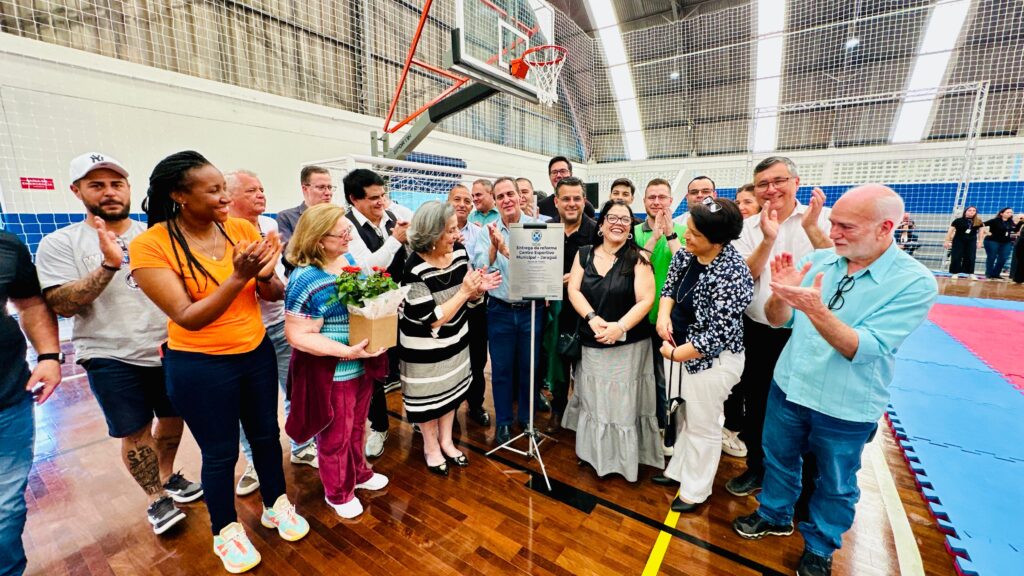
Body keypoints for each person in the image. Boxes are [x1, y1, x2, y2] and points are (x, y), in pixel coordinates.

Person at [732, 184, 937, 576]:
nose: (834, 232)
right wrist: (782, 295)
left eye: (846, 226)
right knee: (779, 460)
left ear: (885, 227)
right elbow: (779, 320)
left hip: (845, 405)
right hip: (790, 387)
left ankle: (820, 546)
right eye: (834, 223)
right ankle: (774, 514)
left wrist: (816, 309)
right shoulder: (824, 260)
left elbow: (862, 348)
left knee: (836, 483)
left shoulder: (914, 283)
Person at [130, 151, 308, 573]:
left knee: (267, 436)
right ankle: (225, 530)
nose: (224, 198)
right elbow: (188, 317)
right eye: (213, 191)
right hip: (200, 365)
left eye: (224, 188)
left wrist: (265, 272)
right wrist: (238, 276)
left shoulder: (240, 228)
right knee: (220, 452)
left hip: (255, 353)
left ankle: (276, 503)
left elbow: (272, 293)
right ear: (179, 195)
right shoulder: (151, 244)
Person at [36, 152, 201, 535]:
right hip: (109, 353)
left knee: (173, 419)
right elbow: (62, 304)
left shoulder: (157, 235)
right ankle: (155, 497)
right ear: (77, 191)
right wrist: (108, 265)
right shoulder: (61, 243)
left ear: (128, 188)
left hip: (168, 348)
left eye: (116, 184)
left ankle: (166, 476)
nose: (109, 192)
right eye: (97, 185)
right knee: (135, 430)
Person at [727, 156, 832, 500]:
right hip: (758, 330)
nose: (771, 190)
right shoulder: (746, 228)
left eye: (778, 181)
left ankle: (806, 480)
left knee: (806, 409)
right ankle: (757, 466)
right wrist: (767, 239)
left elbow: (842, 267)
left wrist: (815, 232)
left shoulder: (821, 220)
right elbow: (744, 275)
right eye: (762, 184)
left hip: (809, 333)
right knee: (756, 404)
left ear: (796, 183)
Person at [282, 203, 389, 519]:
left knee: (357, 427)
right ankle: (337, 491)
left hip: (361, 363)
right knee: (334, 435)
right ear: (318, 240)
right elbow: (298, 335)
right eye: (341, 232)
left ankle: (359, 472)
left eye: (348, 229)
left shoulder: (348, 261)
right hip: (334, 370)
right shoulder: (304, 278)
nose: (348, 236)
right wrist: (345, 351)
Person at [650, 197, 753, 512]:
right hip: (678, 348)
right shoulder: (688, 254)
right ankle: (680, 470)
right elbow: (669, 288)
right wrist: (663, 317)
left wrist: (677, 353)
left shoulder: (734, 274)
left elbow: (718, 333)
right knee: (683, 416)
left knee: (703, 424)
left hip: (710, 361)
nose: (685, 237)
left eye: (694, 233)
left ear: (718, 240)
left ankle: (696, 489)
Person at [224, 170, 318, 498]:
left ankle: (302, 445)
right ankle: (254, 462)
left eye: (262, 188)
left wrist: (266, 277)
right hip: (240, 336)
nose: (261, 195)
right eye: (251, 190)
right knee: (248, 406)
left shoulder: (268, 227)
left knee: (296, 388)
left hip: (277, 324)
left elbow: (275, 287)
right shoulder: (219, 233)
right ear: (229, 197)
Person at [399, 201, 500, 476]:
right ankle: (431, 446)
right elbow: (431, 317)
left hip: (456, 341)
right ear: (432, 234)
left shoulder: (458, 252)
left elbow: (469, 296)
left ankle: (447, 440)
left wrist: (478, 291)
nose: (457, 235)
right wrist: (465, 293)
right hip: (425, 348)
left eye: (456, 229)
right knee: (430, 400)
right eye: (451, 230)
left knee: (451, 393)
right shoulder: (413, 268)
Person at [564, 200, 659, 482]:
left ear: (630, 228)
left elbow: (646, 300)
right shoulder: (583, 254)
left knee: (622, 404)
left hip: (629, 346)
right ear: (602, 223)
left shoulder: (640, 258)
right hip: (592, 341)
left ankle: (624, 462)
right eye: (612, 218)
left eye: (625, 220)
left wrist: (620, 327)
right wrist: (592, 318)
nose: (618, 223)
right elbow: (574, 290)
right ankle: (595, 455)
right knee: (596, 402)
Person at [0, 231, 61, 576]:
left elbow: (32, 302)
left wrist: (49, 355)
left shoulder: (7, 245)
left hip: (8, 398)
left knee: (6, 509)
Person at [343, 168, 410, 459]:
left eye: (383, 195)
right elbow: (366, 267)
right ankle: (379, 427)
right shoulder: (346, 227)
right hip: (370, 310)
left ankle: (420, 417)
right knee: (374, 373)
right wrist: (396, 239)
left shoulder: (392, 218)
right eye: (373, 198)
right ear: (353, 200)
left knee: (407, 362)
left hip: (400, 305)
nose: (380, 202)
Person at [472, 177, 541, 445]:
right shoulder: (485, 230)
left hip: (530, 311)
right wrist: (492, 245)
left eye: (510, 194)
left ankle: (526, 418)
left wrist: (505, 248)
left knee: (528, 368)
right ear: (495, 200)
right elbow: (481, 267)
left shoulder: (537, 227)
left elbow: (537, 270)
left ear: (519, 196)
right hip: (499, 310)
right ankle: (502, 422)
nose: (507, 200)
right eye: (500, 196)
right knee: (500, 369)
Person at [632, 178, 686, 455]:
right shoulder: (636, 232)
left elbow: (686, 266)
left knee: (670, 378)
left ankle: (670, 430)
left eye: (662, 197)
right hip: (642, 317)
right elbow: (637, 265)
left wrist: (668, 235)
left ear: (671, 201)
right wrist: (654, 236)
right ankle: (650, 425)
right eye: (651, 197)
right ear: (644, 203)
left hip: (673, 319)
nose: (657, 202)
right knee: (647, 376)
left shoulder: (685, 230)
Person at [544, 177, 597, 434]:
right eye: (566, 198)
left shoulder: (597, 232)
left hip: (586, 312)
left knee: (585, 368)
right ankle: (558, 410)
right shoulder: (545, 231)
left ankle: (584, 416)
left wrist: (577, 278)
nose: (572, 203)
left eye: (577, 198)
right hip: (554, 311)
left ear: (584, 201)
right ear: (556, 202)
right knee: (557, 364)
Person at [447, 185, 489, 426]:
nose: (462, 204)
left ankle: (475, 404)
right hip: (449, 305)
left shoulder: (478, 232)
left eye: (467, 201)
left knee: (477, 356)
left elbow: (484, 265)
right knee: (452, 357)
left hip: (475, 303)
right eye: (457, 199)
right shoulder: (438, 233)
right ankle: (449, 411)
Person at [276, 165, 335, 243]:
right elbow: (288, 251)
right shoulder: (286, 218)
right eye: (321, 187)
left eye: (330, 187)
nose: (328, 193)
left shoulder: (336, 218)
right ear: (305, 189)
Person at [944, 206, 983, 277]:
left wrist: (980, 241)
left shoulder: (978, 221)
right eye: (970, 210)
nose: (972, 212)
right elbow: (950, 231)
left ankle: (970, 272)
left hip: (971, 240)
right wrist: (947, 241)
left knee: (971, 256)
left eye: (974, 210)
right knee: (956, 256)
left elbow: (981, 232)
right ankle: (955, 272)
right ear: (965, 211)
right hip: (958, 240)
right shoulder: (958, 220)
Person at [981, 207, 1015, 279]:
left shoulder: (1011, 222)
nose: (1010, 214)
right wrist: (986, 232)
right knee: (992, 257)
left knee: (1003, 258)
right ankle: (989, 273)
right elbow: (981, 224)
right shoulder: (995, 221)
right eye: (1008, 212)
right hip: (992, 241)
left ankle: (996, 274)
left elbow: (1015, 230)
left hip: (1006, 242)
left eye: (1011, 212)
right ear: (1001, 213)